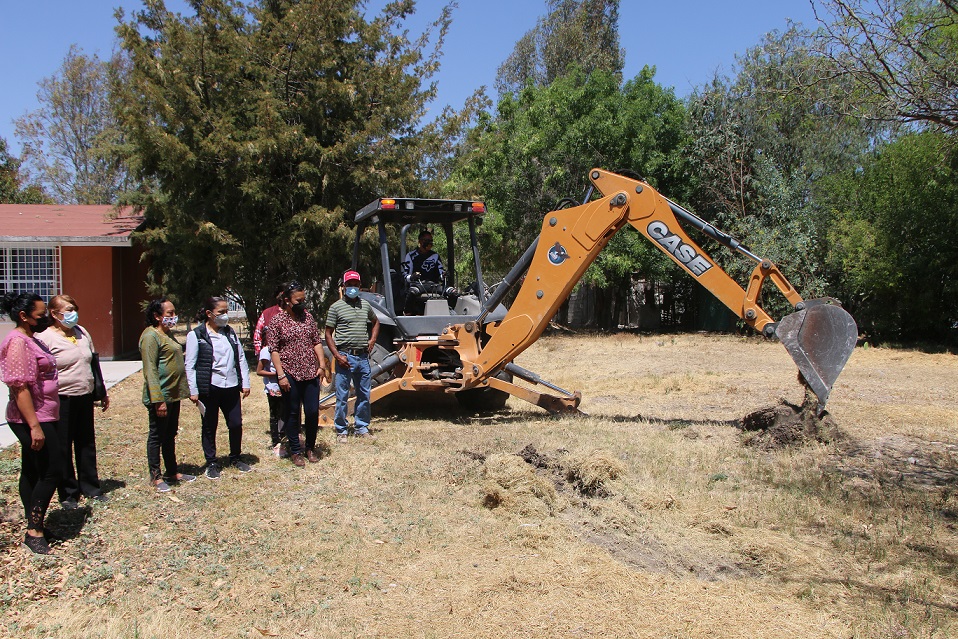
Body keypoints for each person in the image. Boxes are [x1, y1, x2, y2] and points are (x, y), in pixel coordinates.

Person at [0, 291, 62, 555]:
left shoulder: (31, 339)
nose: (45, 318)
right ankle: (34, 531)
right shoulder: (18, 342)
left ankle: (34, 523)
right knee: (52, 470)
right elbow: (20, 388)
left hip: (45, 413)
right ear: (24, 316)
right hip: (33, 417)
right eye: (40, 315)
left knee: (33, 469)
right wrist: (34, 426)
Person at [36, 294, 109, 509]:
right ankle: (68, 493)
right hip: (61, 399)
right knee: (63, 446)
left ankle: (91, 487)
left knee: (86, 444)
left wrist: (101, 391)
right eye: (68, 310)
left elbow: (93, 363)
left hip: (84, 396)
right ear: (54, 314)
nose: (73, 313)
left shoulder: (82, 332)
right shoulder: (45, 338)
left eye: (74, 309)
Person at [185, 297, 252, 479]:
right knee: (209, 425)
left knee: (235, 423)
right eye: (221, 312)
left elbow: (240, 359)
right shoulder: (196, 335)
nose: (225, 316)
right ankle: (212, 462)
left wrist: (245, 382)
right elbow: (190, 365)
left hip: (230, 386)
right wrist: (193, 390)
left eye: (226, 312)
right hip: (210, 387)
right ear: (209, 314)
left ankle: (235, 457)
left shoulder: (230, 333)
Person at [266, 281, 329, 467]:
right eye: (298, 300)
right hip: (289, 373)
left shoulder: (307, 317)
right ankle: (295, 450)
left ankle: (310, 447)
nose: (302, 303)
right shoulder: (277, 321)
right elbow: (274, 349)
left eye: (303, 299)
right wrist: (281, 375)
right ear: (287, 300)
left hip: (310, 371)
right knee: (292, 412)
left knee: (311, 412)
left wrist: (322, 364)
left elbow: (316, 342)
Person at [140, 297, 194, 493]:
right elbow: (150, 370)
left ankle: (172, 471)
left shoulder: (167, 334)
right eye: (169, 313)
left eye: (174, 312)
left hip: (173, 395)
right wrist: (158, 400)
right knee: (157, 435)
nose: (173, 316)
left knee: (170, 434)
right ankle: (155, 476)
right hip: (161, 397)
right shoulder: (150, 336)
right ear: (157, 316)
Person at [325, 270, 380, 441]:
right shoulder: (336, 308)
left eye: (356, 285)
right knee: (342, 395)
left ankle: (361, 426)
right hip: (344, 357)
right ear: (344, 286)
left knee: (364, 393)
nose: (353, 287)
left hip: (363, 357)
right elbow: (328, 334)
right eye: (350, 285)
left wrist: (372, 340)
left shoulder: (366, 306)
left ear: (360, 286)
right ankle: (341, 429)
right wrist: (337, 356)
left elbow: (376, 322)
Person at [256, 326, 285, 456]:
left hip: (285, 386)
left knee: (286, 414)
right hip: (273, 388)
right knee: (275, 415)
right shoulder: (266, 351)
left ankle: (285, 438)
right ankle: (276, 442)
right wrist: (277, 374)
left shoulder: (282, 349)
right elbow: (259, 371)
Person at [252, 284, 284, 357]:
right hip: (269, 359)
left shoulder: (300, 314)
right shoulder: (267, 313)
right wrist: (260, 354)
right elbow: (257, 336)